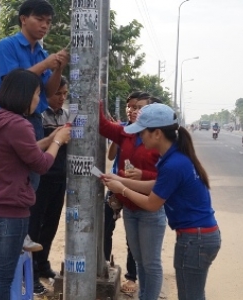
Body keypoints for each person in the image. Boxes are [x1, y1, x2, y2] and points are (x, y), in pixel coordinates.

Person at [101, 103, 221, 300]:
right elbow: (157, 185)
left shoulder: (174, 163)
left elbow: (151, 204)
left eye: (142, 132)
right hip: (198, 237)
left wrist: (122, 189)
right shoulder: (174, 157)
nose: (138, 137)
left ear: (157, 133)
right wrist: (120, 179)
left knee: (190, 296)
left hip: (195, 240)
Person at [0, 68, 71, 300]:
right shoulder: (19, 124)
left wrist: (48, 138)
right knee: (2, 276)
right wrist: (57, 141)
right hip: (10, 213)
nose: (39, 100)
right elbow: (41, 165)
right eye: (37, 94)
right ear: (24, 95)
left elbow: (21, 150)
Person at [0, 0, 69, 257]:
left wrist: (57, 68)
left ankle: (18, 230)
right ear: (24, 19)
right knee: (7, 175)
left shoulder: (41, 53)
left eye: (48, 21)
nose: (45, 25)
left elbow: (48, 90)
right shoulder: (7, 46)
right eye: (40, 19)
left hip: (33, 118)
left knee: (31, 179)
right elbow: (13, 83)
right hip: (8, 116)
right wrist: (47, 64)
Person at [99, 94, 166, 300]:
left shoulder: (161, 139)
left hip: (149, 209)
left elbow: (166, 178)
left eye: (141, 108)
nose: (135, 111)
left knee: (151, 263)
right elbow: (103, 125)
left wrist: (137, 178)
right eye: (132, 108)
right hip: (129, 208)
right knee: (139, 259)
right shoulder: (126, 132)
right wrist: (96, 92)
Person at [28, 76, 69, 294]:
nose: (62, 98)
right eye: (58, 94)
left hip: (59, 179)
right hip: (40, 179)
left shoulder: (66, 116)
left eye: (65, 94)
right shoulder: (38, 117)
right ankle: (31, 273)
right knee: (34, 227)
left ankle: (43, 266)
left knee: (51, 225)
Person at [104, 91, 142, 295]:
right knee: (105, 226)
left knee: (132, 236)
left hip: (133, 188)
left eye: (137, 107)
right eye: (130, 106)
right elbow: (111, 155)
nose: (132, 110)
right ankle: (104, 263)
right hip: (114, 186)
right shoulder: (121, 129)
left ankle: (132, 277)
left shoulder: (146, 132)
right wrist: (118, 137)